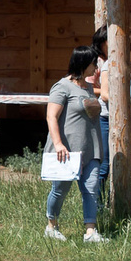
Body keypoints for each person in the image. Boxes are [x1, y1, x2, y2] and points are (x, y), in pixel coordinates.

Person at [45, 45, 108, 243]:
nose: (96, 69)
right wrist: (58, 144)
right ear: (81, 64)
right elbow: (51, 116)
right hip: (67, 150)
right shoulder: (61, 87)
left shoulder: (89, 87)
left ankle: (90, 232)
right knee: (60, 190)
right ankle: (51, 226)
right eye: (93, 64)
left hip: (90, 148)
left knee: (91, 187)